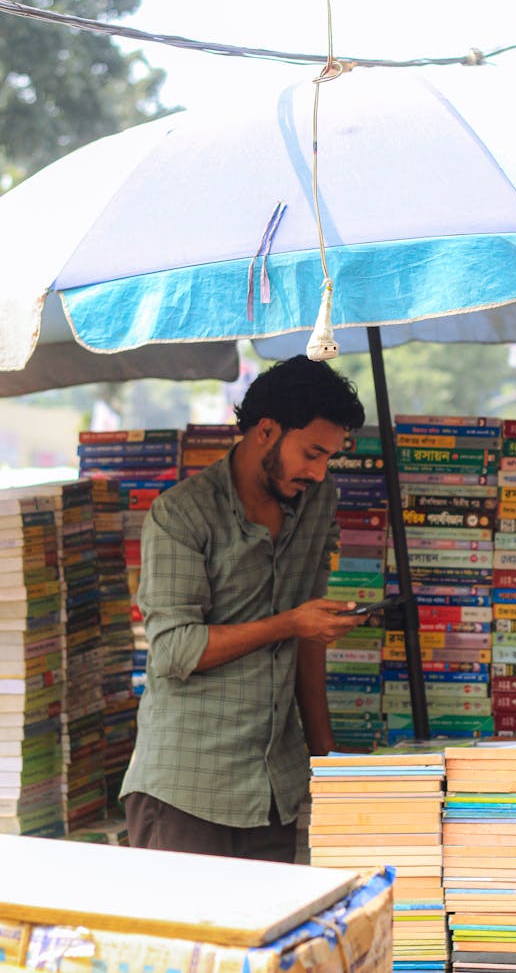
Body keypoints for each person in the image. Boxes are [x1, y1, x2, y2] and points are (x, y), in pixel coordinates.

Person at [120, 355, 367, 860]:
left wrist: (329, 765)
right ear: (266, 431)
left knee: (272, 938)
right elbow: (173, 650)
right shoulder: (181, 514)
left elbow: (309, 636)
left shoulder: (319, 501)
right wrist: (291, 622)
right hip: (185, 791)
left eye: (329, 459)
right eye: (312, 453)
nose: (319, 473)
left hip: (275, 790)